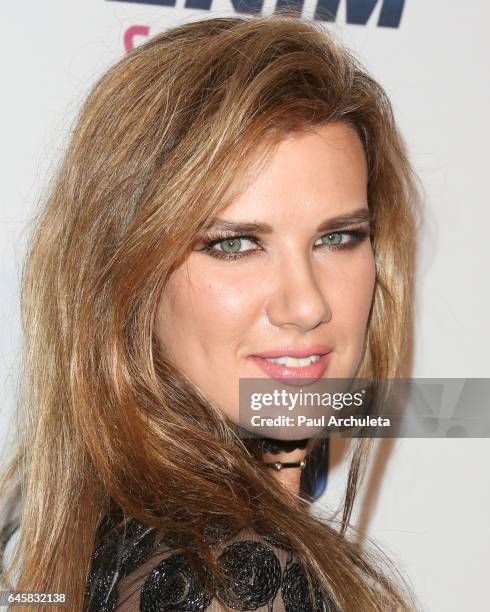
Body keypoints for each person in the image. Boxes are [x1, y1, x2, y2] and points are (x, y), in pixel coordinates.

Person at [0, 12, 422, 611]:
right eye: (233, 244)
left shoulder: (133, 547)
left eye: (339, 238)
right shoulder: (236, 582)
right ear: (130, 279)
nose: (307, 304)